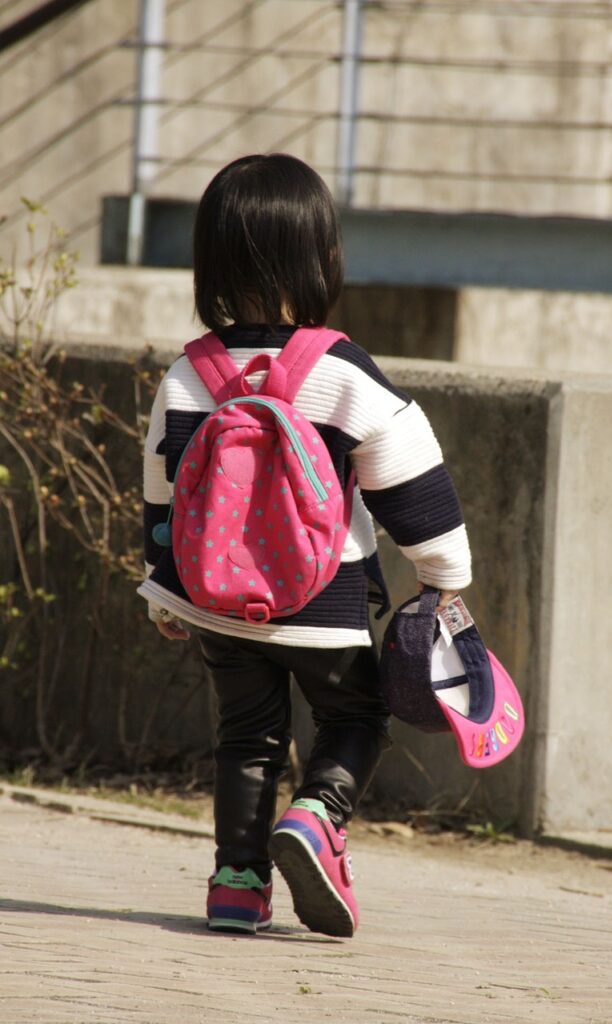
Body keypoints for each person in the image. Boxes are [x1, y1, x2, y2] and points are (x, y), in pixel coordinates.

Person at [138, 153, 472, 938]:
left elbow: (163, 496)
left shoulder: (188, 376)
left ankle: (235, 882)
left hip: (216, 602)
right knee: (359, 715)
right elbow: (409, 480)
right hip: (323, 604)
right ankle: (318, 814)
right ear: (323, 257)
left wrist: (162, 588)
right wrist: (443, 574)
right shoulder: (340, 371)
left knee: (245, 734)